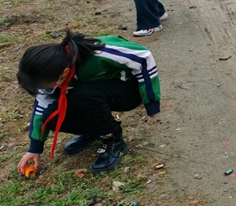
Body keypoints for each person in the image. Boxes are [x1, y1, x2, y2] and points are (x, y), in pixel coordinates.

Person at [16, 30, 161, 174]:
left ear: (64, 73)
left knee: (83, 94)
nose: (47, 90)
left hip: (129, 89)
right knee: (52, 115)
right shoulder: (50, 72)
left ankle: (113, 141)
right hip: (95, 91)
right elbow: (42, 106)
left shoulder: (99, 52)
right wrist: (34, 148)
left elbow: (143, 56)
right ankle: (94, 132)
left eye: (48, 87)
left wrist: (151, 100)